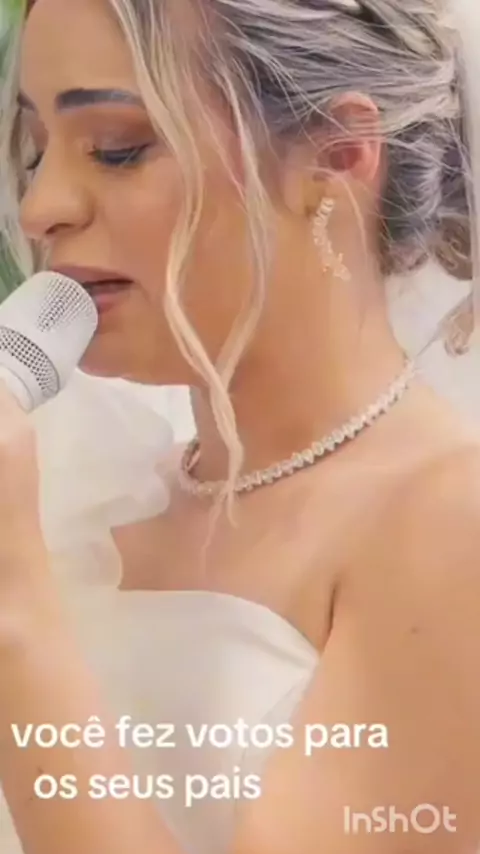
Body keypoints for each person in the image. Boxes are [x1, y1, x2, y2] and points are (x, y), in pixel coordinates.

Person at [2, 0, 480, 852]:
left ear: (337, 155)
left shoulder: (450, 527)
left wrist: (13, 608)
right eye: (37, 151)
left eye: (117, 148)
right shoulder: (87, 477)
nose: (42, 206)